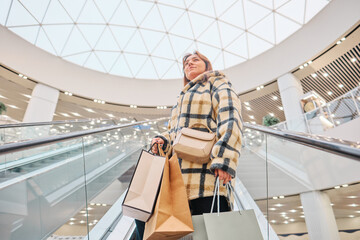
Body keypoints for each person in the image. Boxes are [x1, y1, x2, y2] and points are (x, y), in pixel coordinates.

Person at [136, 51, 243, 239]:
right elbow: (174, 131)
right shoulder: (181, 98)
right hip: (179, 183)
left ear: (206, 64)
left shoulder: (217, 82)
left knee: (213, 233)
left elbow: (231, 118)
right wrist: (163, 139)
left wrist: (224, 160)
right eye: (186, 63)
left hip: (208, 176)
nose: (189, 64)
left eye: (195, 60)